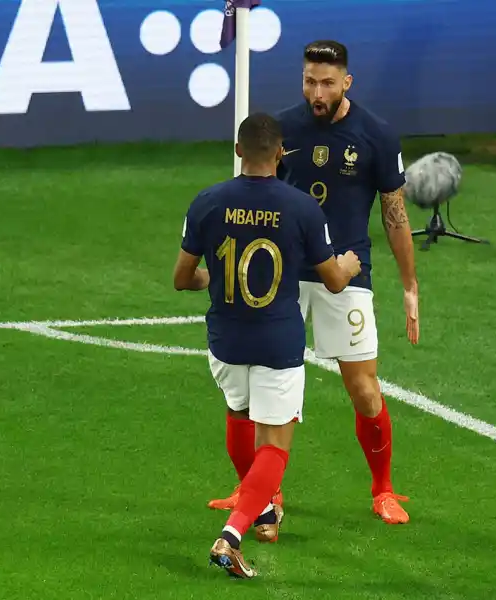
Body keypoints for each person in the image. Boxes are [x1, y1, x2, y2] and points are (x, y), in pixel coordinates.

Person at [207, 40, 420, 525]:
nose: (317, 92)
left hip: (345, 274)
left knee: (364, 388)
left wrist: (409, 285)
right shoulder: (282, 131)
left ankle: (383, 489)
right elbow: (252, 195)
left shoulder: (377, 135)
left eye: (327, 83)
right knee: (249, 390)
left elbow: (395, 214)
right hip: (283, 274)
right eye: (309, 81)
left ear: (347, 82)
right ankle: (259, 493)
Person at [173, 112, 360, 578]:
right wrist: (351, 264)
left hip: (226, 340)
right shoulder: (301, 208)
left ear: (239, 151)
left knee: (239, 415)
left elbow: (182, 278)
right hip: (277, 341)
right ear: (280, 154)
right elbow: (334, 281)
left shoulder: (207, 202)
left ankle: (262, 510)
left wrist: (210, 278)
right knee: (275, 447)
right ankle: (231, 535)